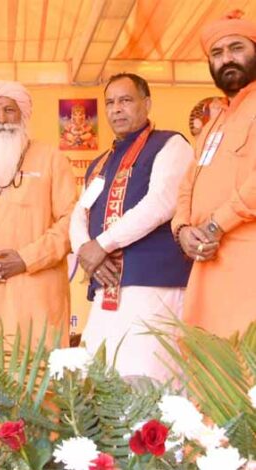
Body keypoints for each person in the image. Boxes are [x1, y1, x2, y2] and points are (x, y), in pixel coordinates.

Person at [70, 73, 194, 380]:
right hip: (107, 285)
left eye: (125, 100)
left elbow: (161, 202)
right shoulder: (100, 162)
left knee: (150, 379)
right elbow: (79, 214)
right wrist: (86, 250)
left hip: (153, 284)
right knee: (100, 380)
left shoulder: (170, 144)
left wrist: (102, 245)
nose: (116, 109)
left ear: (146, 103)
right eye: (110, 102)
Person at [0, 81, 77, 346]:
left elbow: (71, 221)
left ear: (22, 114)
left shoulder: (51, 158)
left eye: (9, 110)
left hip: (37, 290)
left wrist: (26, 259)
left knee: (37, 365)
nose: (2, 119)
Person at [172, 10, 256, 338]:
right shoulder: (213, 123)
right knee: (209, 358)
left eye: (237, 48)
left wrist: (214, 225)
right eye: (217, 53)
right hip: (207, 262)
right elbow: (188, 185)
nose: (227, 59)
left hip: (247, 259)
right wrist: (182, 230)